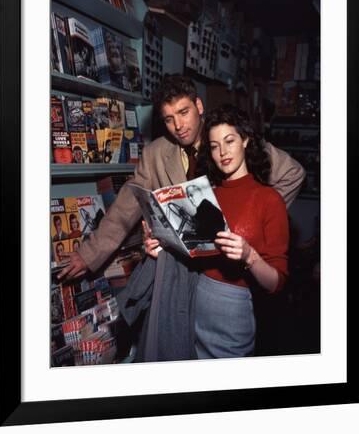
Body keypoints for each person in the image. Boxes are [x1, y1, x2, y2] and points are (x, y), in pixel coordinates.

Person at [58, 74, 304, 282]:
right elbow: (124, 209)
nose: (178, 125)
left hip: (230, 273)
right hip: (178, 273)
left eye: (183, 112)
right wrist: (89, 254)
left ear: (198, 106)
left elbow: (292, 173)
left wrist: (254, 222)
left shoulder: (228, 138)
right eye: (168, 119)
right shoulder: (155, 154)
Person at [145, 104, 289, 359]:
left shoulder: (269, 199)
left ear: (245, 140)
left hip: (233, 311)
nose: (222, 152)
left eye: (229, 141)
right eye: (214, 146)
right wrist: (161, 249)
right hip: (191, 302)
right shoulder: (204, 195)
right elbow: (191, 255)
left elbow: (277, 283)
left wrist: (250, 256)